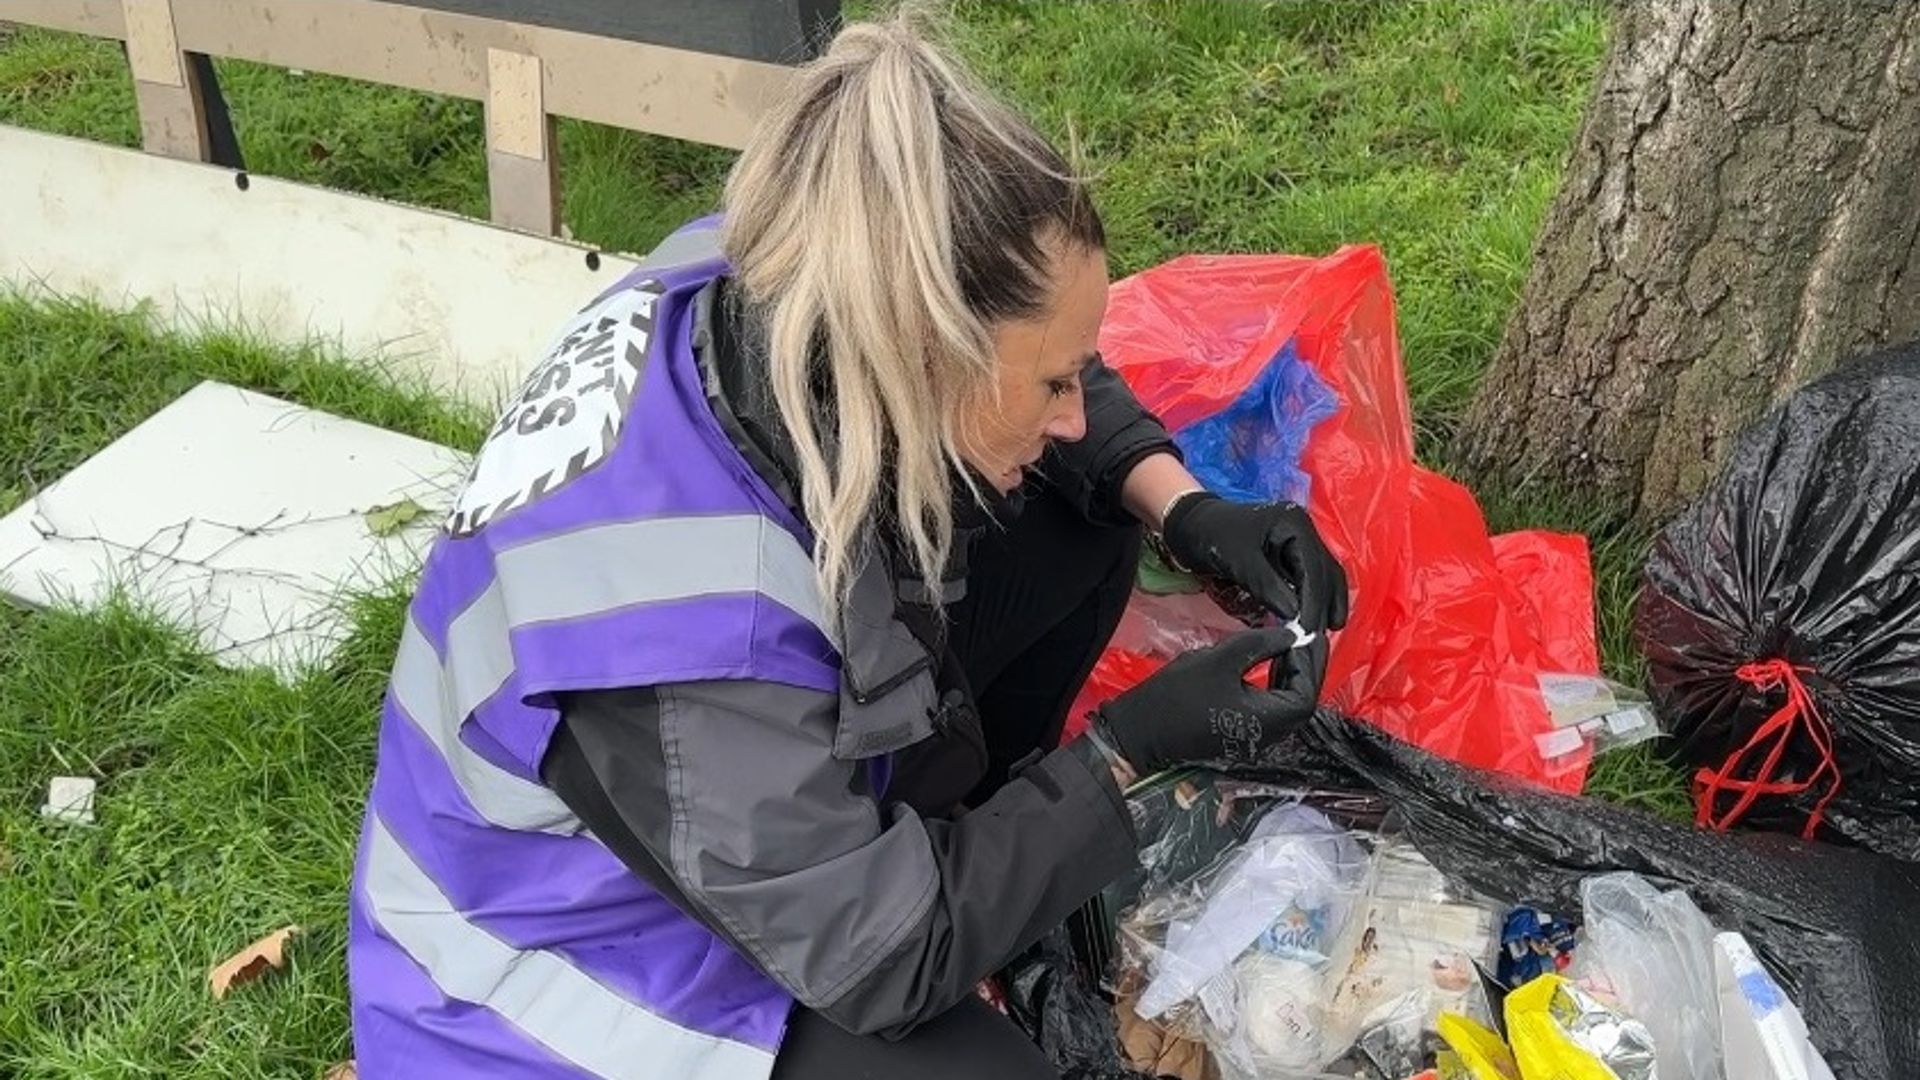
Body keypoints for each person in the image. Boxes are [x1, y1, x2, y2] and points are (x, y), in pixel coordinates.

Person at [346, 13, 1348, 1080]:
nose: (1072, 406)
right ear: (921, 352)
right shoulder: (688, 638)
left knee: (1076, 514)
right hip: (553, 975)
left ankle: (975, 866)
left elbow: (1055, 371)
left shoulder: (800, 262)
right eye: (1050, 384)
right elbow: (883, 954)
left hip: (725, 835)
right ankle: (964, 881)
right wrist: (1124, 752)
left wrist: (1186, 511)